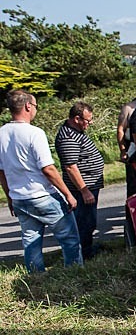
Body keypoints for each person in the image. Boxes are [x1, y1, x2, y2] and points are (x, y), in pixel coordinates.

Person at [0, 90, 82, 272]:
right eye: (36, 105)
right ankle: (75, 272)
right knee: (69, 238)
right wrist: (68, 194)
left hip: (19, 198)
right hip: (42, 195)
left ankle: (36, 278)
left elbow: (2, 172)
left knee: (31, 241)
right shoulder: (34, 133)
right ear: (28, 106)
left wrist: (10, 198)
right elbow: (48, 168)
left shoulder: (2, 133)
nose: (36, 109)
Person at [54, 101, 104, 259]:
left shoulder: (76, 132)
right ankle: (84, 255)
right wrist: (84, 190)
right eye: (87, 120)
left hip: (89, 186)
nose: (89, 123)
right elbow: (70, 167)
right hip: (82, 189)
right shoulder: (68, 137)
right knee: (83, 223)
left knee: (88, 221)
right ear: (76, 118)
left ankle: (87, 250)